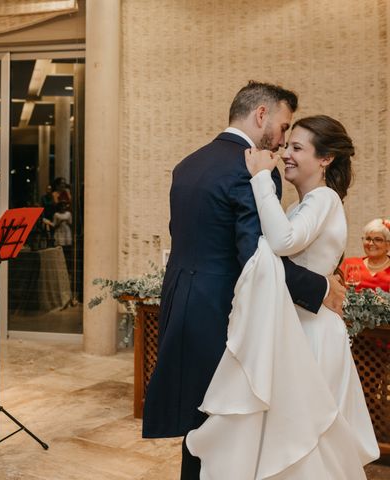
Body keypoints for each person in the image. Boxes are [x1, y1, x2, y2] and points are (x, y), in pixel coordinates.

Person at [141, 81, 345, 479]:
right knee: (227, 421)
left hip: (182, 304)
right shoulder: (253, 170)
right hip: (223, 313)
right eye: (284, 127)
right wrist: (320, 288)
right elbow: (256, 257)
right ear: (262, 115)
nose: (283, 141)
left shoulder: (189, 163)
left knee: (198, 422)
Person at [187, 115, 379, 477]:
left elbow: (282, 241)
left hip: (313, 334)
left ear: (325, 159)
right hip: (296, 328)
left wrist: (260, 177)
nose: (285, 154)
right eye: (286, 145)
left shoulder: (323, 198)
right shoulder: (300, 206)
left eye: (297, 148)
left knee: (306, 436)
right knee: (291, 432)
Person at [340, 218, 390, 291]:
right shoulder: (349, 264)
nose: (371, 243)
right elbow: (337, 293)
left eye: (378, 239)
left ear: (388, 244)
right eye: (368, 239)